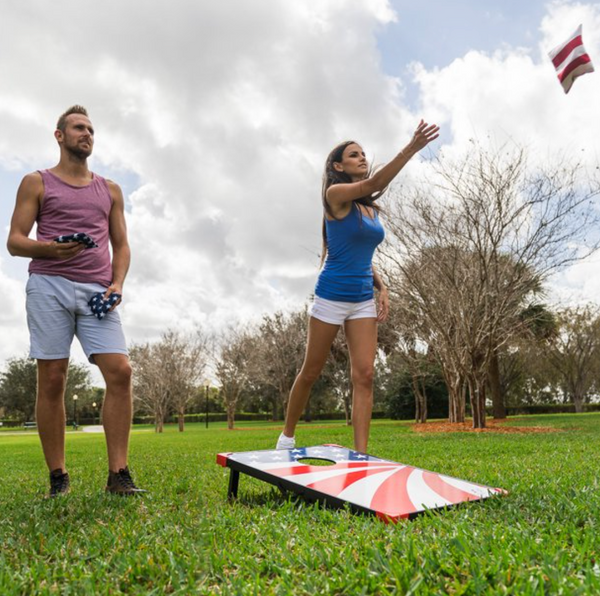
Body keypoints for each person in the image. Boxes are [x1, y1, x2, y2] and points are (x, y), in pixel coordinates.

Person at [277, 120, 440, 453]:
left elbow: (362, 256)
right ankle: (287, 437)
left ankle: (362, 455)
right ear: (339, 166)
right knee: (311, 371)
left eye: (363, 153)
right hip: (331, 296)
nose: (362, 158)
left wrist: (382, 287)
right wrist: (411, 147)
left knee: (364, 375)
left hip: (362, 299)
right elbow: (378, 181)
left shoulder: (369, 208)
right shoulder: (334, 195)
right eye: (354, 155)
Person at [7, 105, 145, 497]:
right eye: (78, 128)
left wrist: (117, 284)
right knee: (52, 379)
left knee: (120, 371)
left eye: (91, 130)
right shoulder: (36, 182)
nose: (87, 134)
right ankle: (58, 477)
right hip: (48, 285)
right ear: (59, 135)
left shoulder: (111, 190)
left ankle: (118, 475)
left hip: (97, 291)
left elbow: (122, 245)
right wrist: (52, 250)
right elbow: (15, 241)